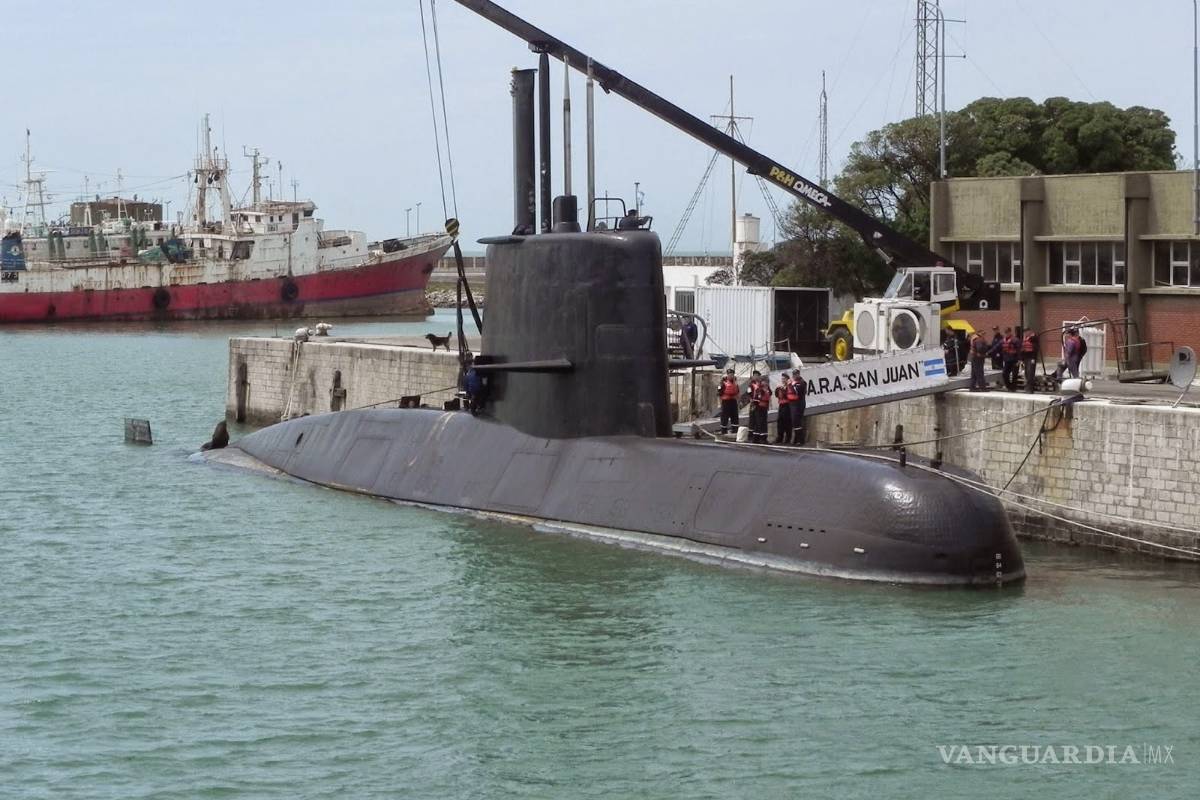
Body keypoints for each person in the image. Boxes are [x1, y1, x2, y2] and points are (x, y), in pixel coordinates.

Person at [717, 369, 740, 435]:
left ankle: (735, 430)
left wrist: (738, 402)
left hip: (733, 401)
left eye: (732, 374)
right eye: (730, 374)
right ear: (727, 375)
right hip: (725, 401)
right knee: (724, 416)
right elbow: (719, 393)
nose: (731, 376)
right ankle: (723, 431)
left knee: (735, 416)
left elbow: (737, 392)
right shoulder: (723, 382)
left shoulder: (735, 383)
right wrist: (719, 403)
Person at [789, 368, 807, 445]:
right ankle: (797, 439)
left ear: (798, 374)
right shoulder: (794, 383)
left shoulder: (802, 382)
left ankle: (800, 439)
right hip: (793, 404)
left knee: (797, 421)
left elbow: (798, 392)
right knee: (794, 421)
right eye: (793, 374)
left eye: (796, 374)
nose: (794, 376)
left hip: (799, 403)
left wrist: (793, 384)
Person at [774, 373, 792, 444]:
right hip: (781, 405)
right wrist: (778, 389)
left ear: (787, 379)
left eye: (784, 379)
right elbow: (776, 395)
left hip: (787, 405)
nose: (783, 380)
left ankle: (788, 438)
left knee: (787, 422)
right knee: (780, 421)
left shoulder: (789, 387)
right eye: (782, 379)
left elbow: (787, 395)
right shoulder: (781, 387)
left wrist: (783, 389)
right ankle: (780, 437)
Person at [1000, 326, 1020, 391]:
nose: (1006, 333)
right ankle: (1009, 386)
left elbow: (1019, 350)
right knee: (1004, 374)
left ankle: (1013, 387)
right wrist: (988, 352)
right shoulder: (1003, 340)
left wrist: (1019, 360)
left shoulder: (1015, 340)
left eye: (1007, 332)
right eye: (1005, 332)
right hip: (1007, 360)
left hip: (1014, 360)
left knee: (1014, 374)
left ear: (1010, 332)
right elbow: (996, 347)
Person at [1021, 327, 1040, 393]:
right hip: (1026, 358)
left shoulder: (1034, 338)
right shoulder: (1025, 338)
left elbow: (1035, 348)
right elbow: (1023, 349)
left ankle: (1030, 389)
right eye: (1025, 332)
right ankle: (1027, 387)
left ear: (1030, 331)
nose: (1026, 333)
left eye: (1027, 331)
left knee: (1030, 372)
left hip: (1032, 358)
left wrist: (1034, 358)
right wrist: (1022, 359)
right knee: (1026, 373)